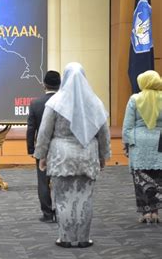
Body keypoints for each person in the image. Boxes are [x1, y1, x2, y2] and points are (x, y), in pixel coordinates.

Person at [34, 62, 111, 248]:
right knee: (85, 198)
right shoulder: (95, 102)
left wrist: (41, 155)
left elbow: (44, 131)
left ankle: (66, 238)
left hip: (62, 156)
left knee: (63, 198)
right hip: (88, 154)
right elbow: (104, 133)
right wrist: (103, 156)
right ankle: (84, 238)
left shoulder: (55, 102)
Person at [122, 70, 162, 224]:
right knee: (158, 178)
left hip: (139, 143)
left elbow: (127, 126)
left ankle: (146, 214)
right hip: (160, 142)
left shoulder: (134, 99)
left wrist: (126, 145)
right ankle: (155, 212)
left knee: (141, 180)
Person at [26, 71, 61, 223]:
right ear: (60, 84)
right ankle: (61, 212)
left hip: (43, 148)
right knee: (61, 181)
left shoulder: (36, 103)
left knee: (43, 182)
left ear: (43, 84)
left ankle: (47, 214)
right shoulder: (66, 102)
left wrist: (31, 149)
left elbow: (31, 129)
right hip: (62, 148)